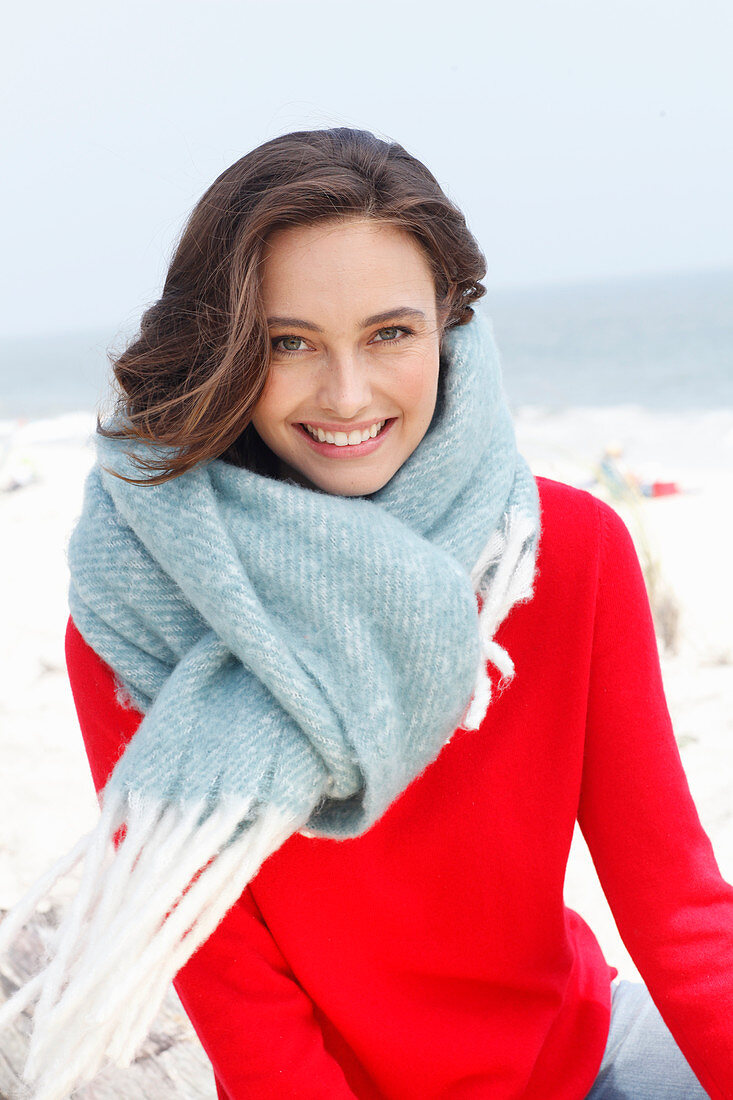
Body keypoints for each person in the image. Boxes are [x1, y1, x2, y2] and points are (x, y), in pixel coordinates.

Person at [2, 128, 732, 1100]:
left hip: (583, 1056)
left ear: (448, 326)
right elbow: (237, 1001)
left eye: (389, 333)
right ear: (223, 351)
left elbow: (680, 911)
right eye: (288, 342)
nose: (346, 394)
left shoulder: (565, 551)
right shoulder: (134, 624)